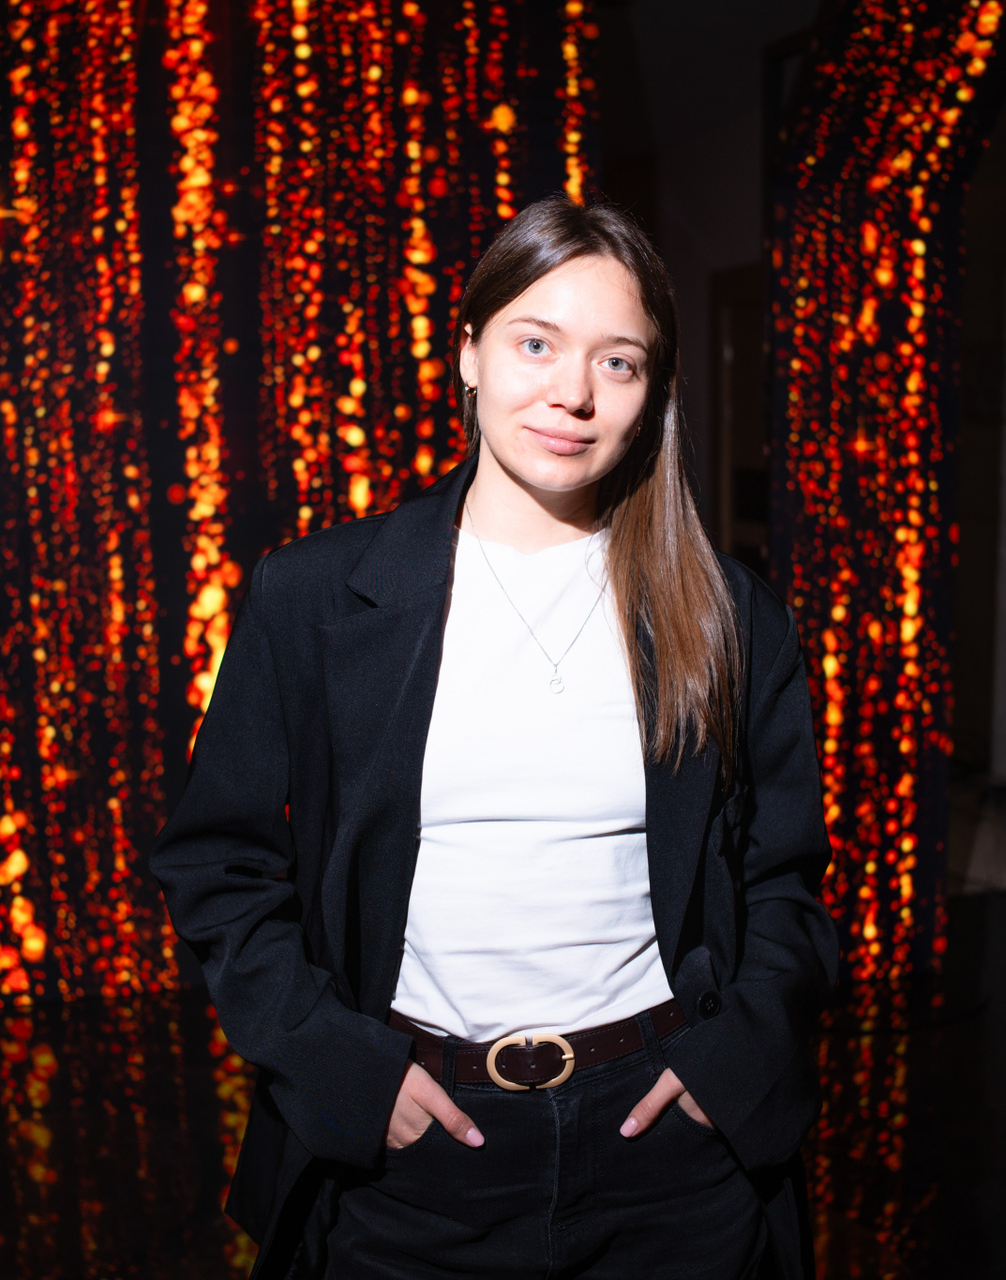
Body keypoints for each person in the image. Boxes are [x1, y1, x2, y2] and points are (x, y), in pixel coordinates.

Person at [150, 195, 838, 1280]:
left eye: (618, 362)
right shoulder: (316, 597)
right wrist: (340, 1066)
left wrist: (733, 1061)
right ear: (468, 352)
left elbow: (783, 875)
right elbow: (216, 864)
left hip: (667, 1146)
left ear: (654, 391)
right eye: (536, 343)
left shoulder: (728, 615)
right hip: (416, 1150)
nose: (573, 393)